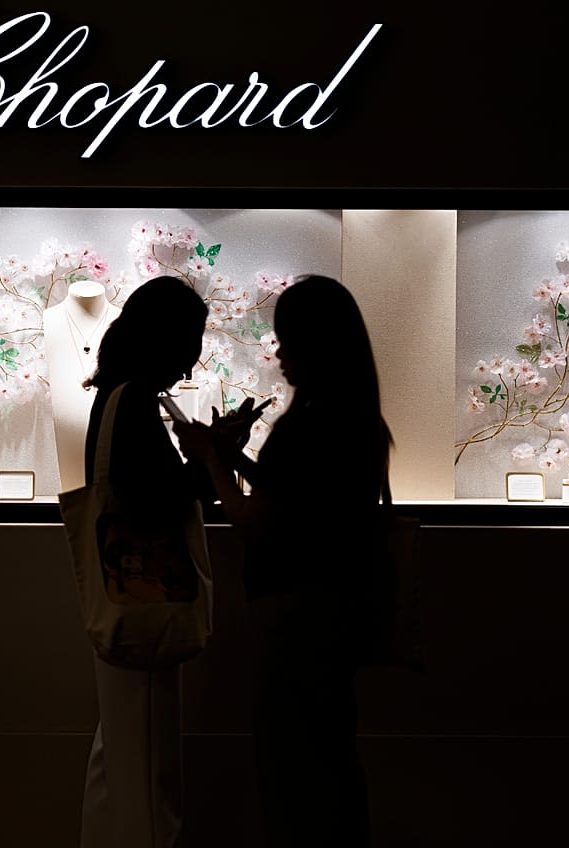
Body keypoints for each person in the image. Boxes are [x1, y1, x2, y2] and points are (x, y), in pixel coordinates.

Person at [173, 274, 393, 848]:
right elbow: (304, 503)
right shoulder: (357, 420)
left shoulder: (308, 426)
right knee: (330, 763)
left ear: (315, 345)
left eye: (288, 339)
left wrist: (211, 459)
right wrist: (239, 458)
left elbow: (255, 524)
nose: (279, 352)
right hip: (339, 616)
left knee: (292, 774)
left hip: (294, 622)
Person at [78, 274, 211, 848]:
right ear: (168, 338)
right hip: (147, 602)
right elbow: (152, 504)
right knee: (151, 778)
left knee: (118, 763)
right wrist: (207, 465)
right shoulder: (134, 400)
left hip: (121, 601)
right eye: (190, 341)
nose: (191, 363)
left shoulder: (115, 396)